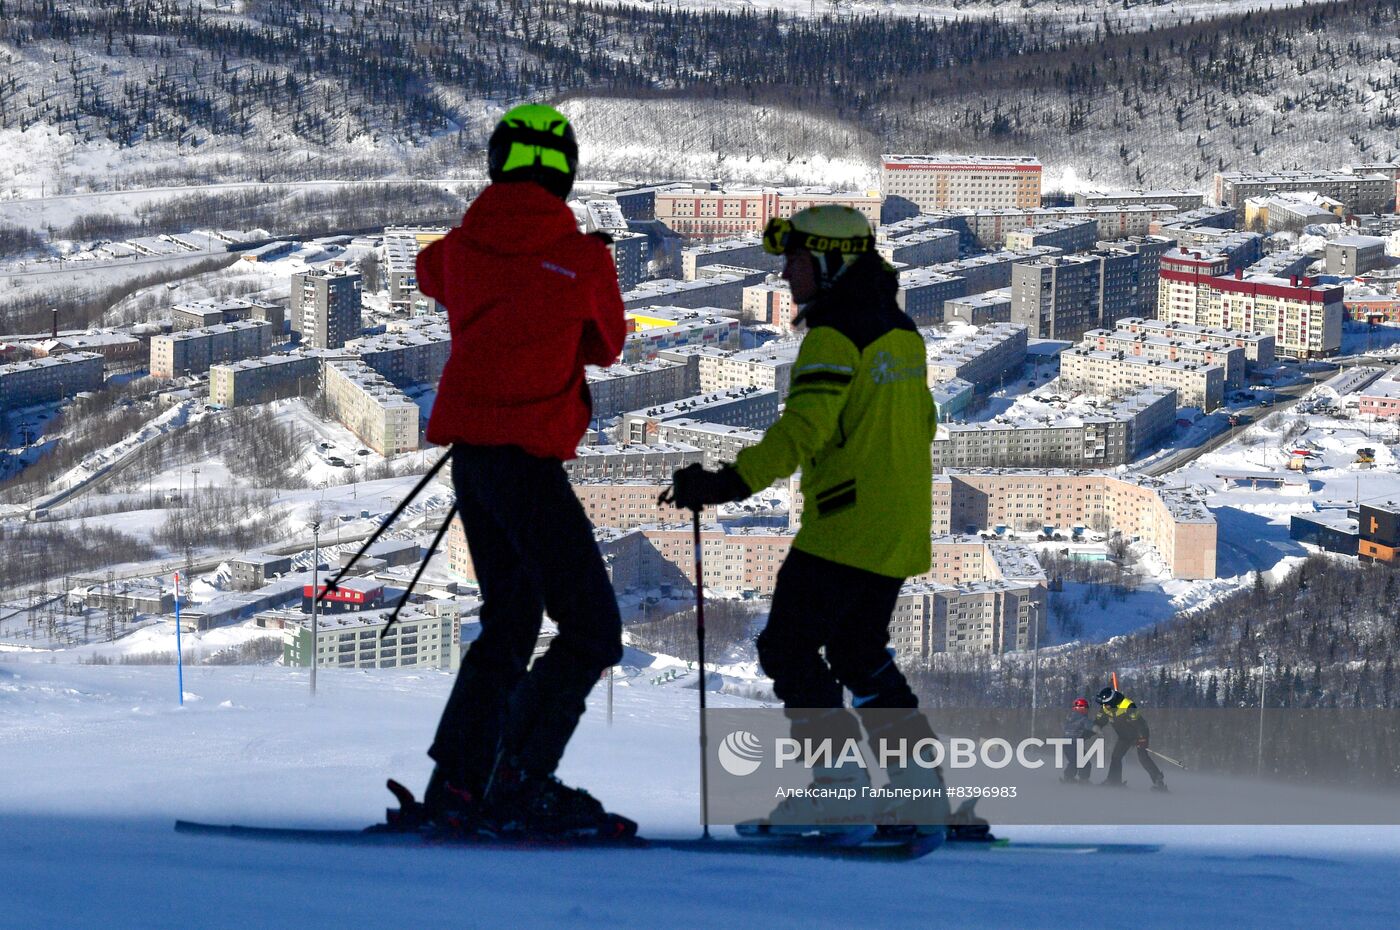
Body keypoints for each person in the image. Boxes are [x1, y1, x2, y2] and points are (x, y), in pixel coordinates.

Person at [664, 205, 948, 836]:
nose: (786, 276)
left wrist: (722, 483)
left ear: (829, 261)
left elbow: (801, 432)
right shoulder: (901, 330)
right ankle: (920, 792)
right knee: (858, 652)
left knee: (786, 646)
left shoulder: (833, 336)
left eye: (793, 261)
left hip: (843, 529)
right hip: (898, 528)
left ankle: (839, 788)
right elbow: (924, 424)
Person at [415, 103, 629, 836]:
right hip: (529, 465)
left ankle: (456, 787)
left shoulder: (460, 247)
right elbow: (609, 346)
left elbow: (428, 274)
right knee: (593, 631)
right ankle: (519, 778)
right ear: (565, 173)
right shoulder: (584, 259)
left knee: (509, 624)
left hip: (471, 462)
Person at [1094, 686, 1167, 792]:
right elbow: (1100, 720)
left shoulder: (1128, 705)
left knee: (1143, 758)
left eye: (1107, 704)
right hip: (1124, 737)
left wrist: (1141, 739)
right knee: (1116, 757)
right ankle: (1114, 781)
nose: (1105, 706)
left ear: (1113, 701)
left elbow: (1140, 724)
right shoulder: (1106, 707)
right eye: (1103, 704)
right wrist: (1096, 726)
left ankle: (1158, 781)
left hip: (1139, 734)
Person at [1060, 697, 1097, 783]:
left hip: (1069, 743)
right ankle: (1075, 777)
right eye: (1085, 709)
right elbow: (1088, 724)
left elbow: (1065, 726)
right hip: (1073, 744)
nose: (1087, 711)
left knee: (1079, 761)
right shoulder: (1081, 718)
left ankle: (1073, 777)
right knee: (1078, 761)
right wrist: (1095, 728)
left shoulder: (1070, 717)